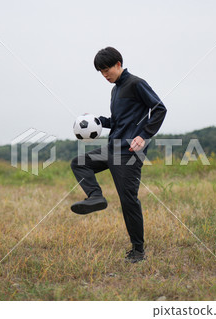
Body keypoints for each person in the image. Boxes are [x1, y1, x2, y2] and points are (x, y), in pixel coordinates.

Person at [70, 47, 167, 263]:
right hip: (113, 148)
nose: (105, 75)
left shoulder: (136, 83)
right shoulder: (115, 90)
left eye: (107, 70)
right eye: (101, 72)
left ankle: (138, 251)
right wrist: (98, 121)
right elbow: (118, 122)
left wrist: (144, 135)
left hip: (129, 153)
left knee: (128, 200)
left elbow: (160, 109)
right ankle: (95, 196)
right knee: (80, 163)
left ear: (118, 64)